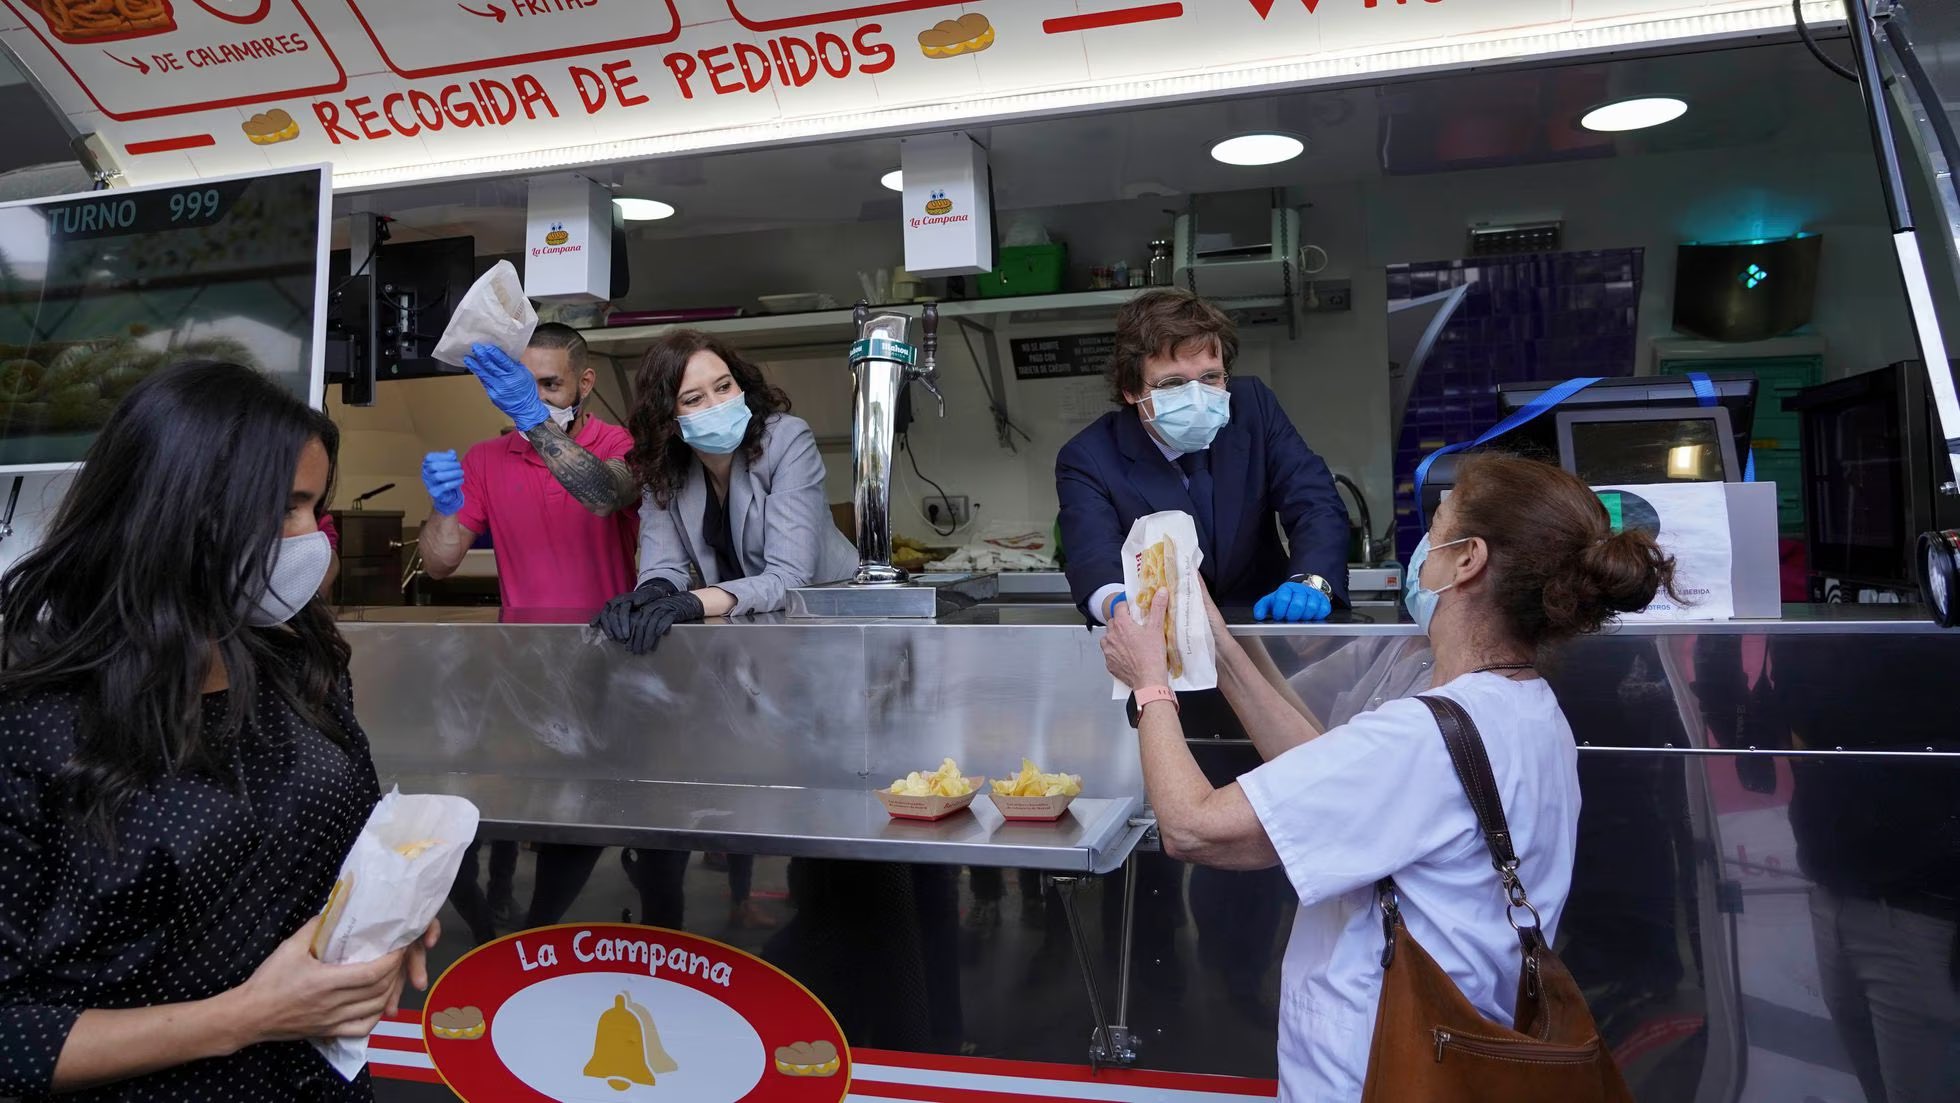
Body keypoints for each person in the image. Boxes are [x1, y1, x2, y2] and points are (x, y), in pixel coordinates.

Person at [1102, 453, 1674, 1099]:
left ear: (1468, 560)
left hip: (1373, 1070)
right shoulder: (1529, 710)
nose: (1421, 550)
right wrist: (1219, 641)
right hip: (1458, 1054)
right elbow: (1326, 775)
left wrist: (1150, 681)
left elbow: (1192, 826)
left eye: (1438, 526)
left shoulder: (1422, 738)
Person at [0, 362, 438, 1101]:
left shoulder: (299, 661)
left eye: (315, 508)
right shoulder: (31, 723)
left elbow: (349, 838)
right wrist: (246, 1017)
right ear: (177, 509)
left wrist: (385, 915)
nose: (312, 539)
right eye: (287, 508)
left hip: (321, 1083)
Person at [465, 328, 854, 928]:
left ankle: (824, 932)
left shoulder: (785, 441)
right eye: (693, 399)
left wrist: (692, 605)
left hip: (823, 644)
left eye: (722, 386)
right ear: (669, 418)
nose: (716, 405)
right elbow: (666, 564)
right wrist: (648, 593)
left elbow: (789, 576)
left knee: (821, 815)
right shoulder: (664, 467)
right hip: (749, 641)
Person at [417, 323, 629, 944]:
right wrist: (444, 502)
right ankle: (497, 931)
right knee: (511, 804)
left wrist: (533, 417)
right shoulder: (487, 458)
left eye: (548, 385)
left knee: (582, 814)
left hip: (609, 662)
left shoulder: (615, 443)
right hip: (522, 666)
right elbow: (439, 562)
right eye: (520, 385)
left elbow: (603, 495)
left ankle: (544, 930)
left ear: (584, 383)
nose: (531, 396)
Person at [1056, 288, 1351, 625]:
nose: (1196, 397)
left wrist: (1311, 580)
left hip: (1268, 630)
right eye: (1172, 383)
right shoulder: (1088, 456)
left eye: (1210, 377)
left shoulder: (1252, 407)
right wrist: (1120, 606)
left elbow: (1314, 500)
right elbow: (1093, 555)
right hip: (1162, 645)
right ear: (1132, 390)